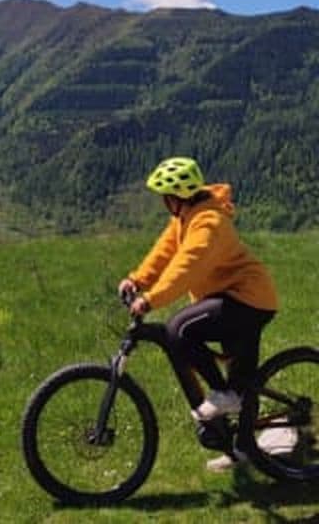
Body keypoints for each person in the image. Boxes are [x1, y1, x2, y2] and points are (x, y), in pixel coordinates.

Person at [117, 157, 278, 472]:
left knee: (180, 328)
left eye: (164, 196)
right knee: (242, 379)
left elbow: (186, 265)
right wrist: (137, 280)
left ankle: (222, 395)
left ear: (175, 196)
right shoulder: (185, 216)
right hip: (231, 298)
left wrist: (150, 300)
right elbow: (165, 252)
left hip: (249, 300)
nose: (163, 203)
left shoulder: (209, 223)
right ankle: (242, 446)